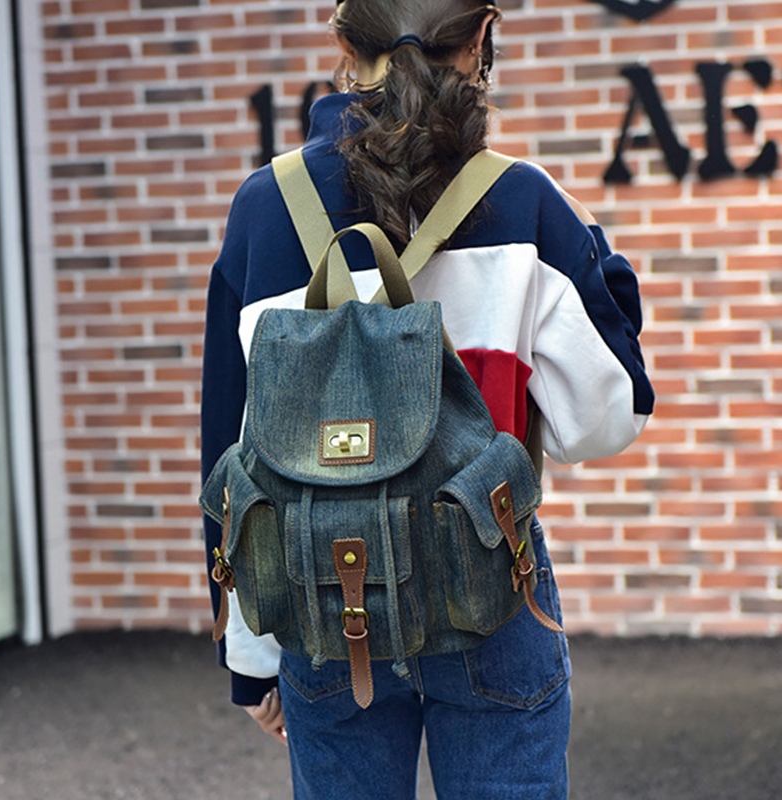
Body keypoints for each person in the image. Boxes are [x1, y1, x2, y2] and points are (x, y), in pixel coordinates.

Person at [200, 1, 654, 797]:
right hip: (488, 585)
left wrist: (251, 657)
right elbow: (603, 422)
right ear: (480, 37)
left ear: (344, 41)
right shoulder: (525, 200)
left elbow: (235, 453)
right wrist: (599, 256)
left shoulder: (264, 208)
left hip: (319, 590)